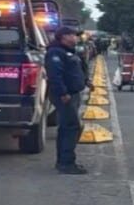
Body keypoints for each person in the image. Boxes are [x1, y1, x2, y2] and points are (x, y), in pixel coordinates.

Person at [45, 26, 87, 174]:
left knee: (70, 127)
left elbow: (76, 70)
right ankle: (66, 163)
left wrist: (86, 81)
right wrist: (63, 93)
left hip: (73, 94)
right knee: (70, 127)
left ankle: (64, 160)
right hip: (65, 95)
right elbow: (55, 75)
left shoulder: (69, 51)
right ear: (64, 37)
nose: (76, 38)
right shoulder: (56, 52)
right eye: (73, 35)